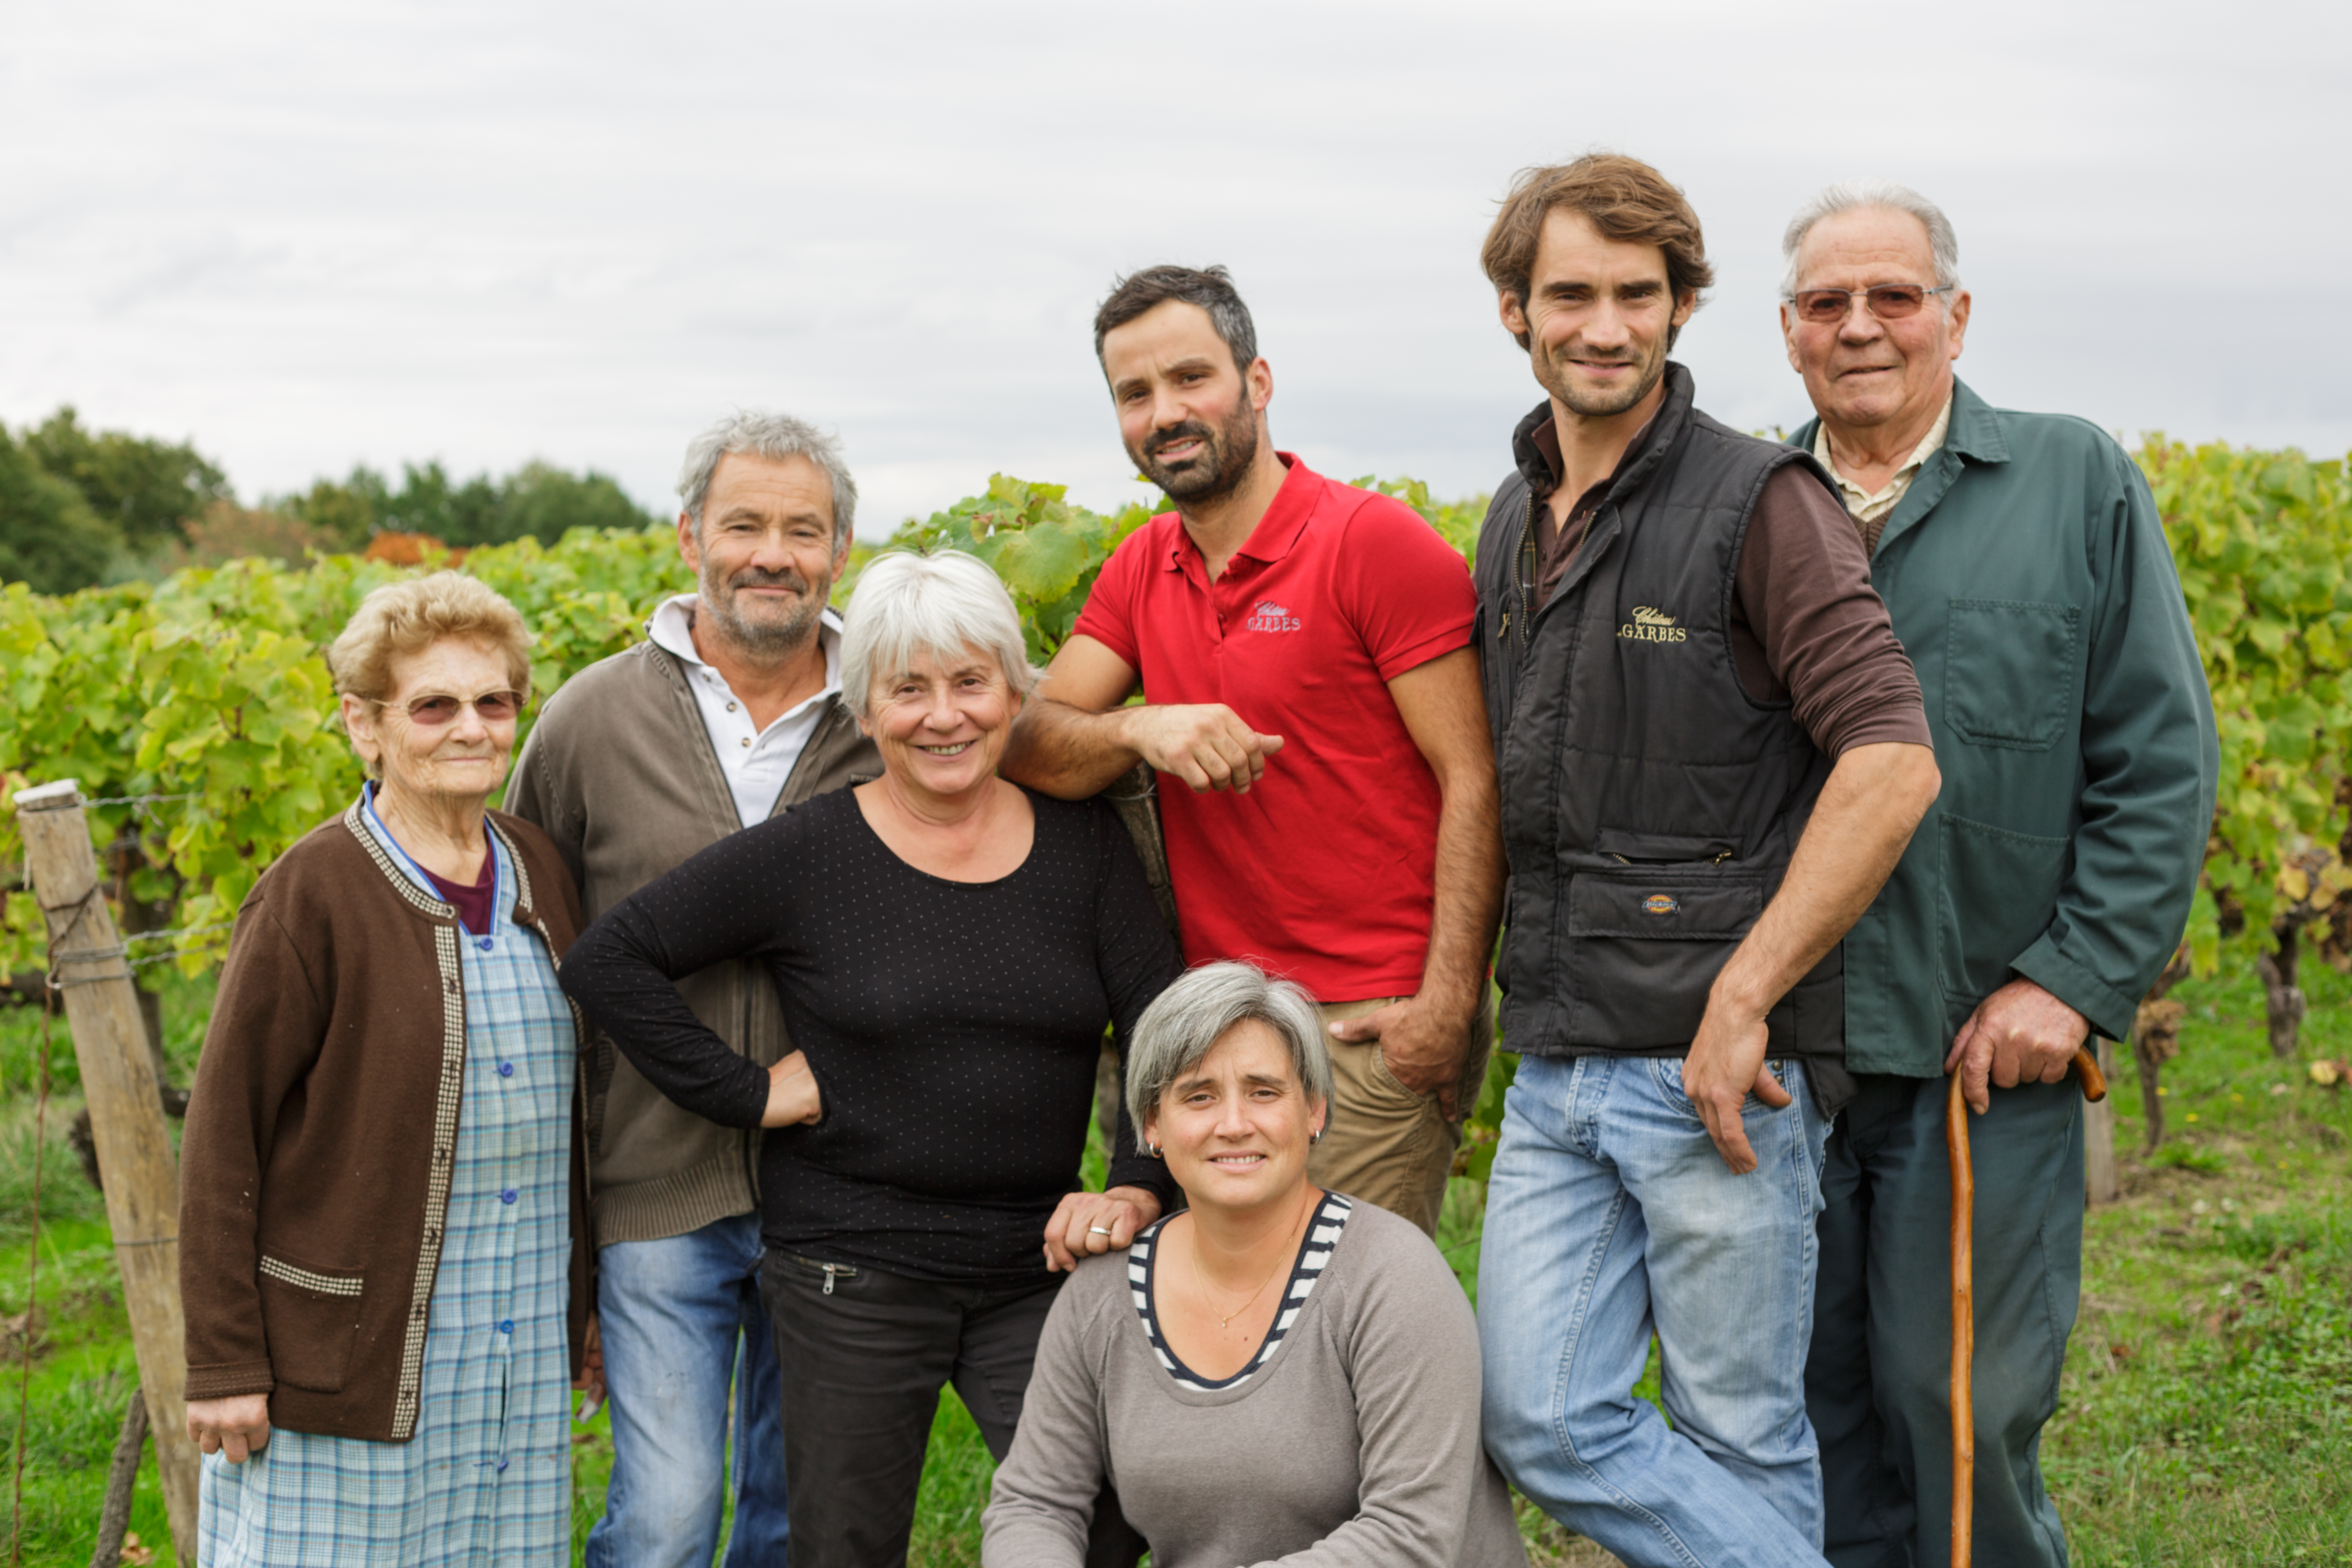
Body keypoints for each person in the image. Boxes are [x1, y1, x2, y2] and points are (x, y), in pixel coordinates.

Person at [1465, 154, 1943, 1568]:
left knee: (1741, 1432)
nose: (1602, 325)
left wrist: (1745, 1000)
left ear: (1681, 309)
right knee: (1538, 1416)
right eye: (1571, 295)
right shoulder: (1514, 513)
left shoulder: (1762, 501)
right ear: (1515, 312)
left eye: (1636, 295)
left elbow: (1893, 760)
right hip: (1554, 1060)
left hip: (1715, 1076)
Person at [561, 548, 1176, 1568]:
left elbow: (1164, 1024)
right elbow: (610, 959)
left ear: (1017, 696)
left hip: (1041, 1264)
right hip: (852, 1270)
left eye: (972, 683)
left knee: (1108, 1527)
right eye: (909, 690)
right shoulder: (811, 855)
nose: (945, 716)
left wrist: (1137, 1185)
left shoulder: (1084, 849)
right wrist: (746, 1093)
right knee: (844, 1549)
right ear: (864, 712)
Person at [1777, 180, 2218, 1568]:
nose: (1861, 327)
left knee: (1958, 1399)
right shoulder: (1753, 508)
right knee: (1808, 1407)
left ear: (1955, 318)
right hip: (1794, 1056)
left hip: (1981, 1053)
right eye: (1828, 303)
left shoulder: (2074, 477)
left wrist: (2072, 984)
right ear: (1789, 333)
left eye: (1892, 297)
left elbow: (2162, 762)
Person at [1000, 264, 1503, 1238]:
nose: (1166, 413)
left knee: (1342, 1327)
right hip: (1219, 1023)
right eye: (1135, 394)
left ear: (1258, 382)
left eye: (1192, 379)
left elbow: (1474, 778)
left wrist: (1444, 1011)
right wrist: (1140, 724)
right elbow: (1032, 744)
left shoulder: (1374, 546)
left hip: (1370, 1022)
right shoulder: (1145, 565)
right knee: (1228, 1336)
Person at [504, 412, 876, 1568]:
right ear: (687, 536)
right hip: (657, 1177)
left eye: (802, 530)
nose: (773, 553)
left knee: (790, 1514)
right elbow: (536, 942)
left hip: (843, 1182)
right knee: (665, 1521)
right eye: (745, 524)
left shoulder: (895, 713)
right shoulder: (587, 720)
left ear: (842, 551)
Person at [180, 572, 597, 1566]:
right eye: (434, 706)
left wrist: (584, 1306)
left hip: (516, 1346)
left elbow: (585, 1113)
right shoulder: (312, 893)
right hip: (354, 1358)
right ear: (365, 726)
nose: (471, 728)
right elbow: (220, 1136)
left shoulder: (540, 866)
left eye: (493, 703)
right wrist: (223, 1360)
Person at [982, 961, 1527, 1568]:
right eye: (1199, 1096)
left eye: (1264, 1091)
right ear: (1154, 1125)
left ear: (1314, 1111)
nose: (1235, 1124)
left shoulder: (1391, 1278)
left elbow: (1410, 1534)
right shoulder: (1104, 1294)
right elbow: (1034, 1503)